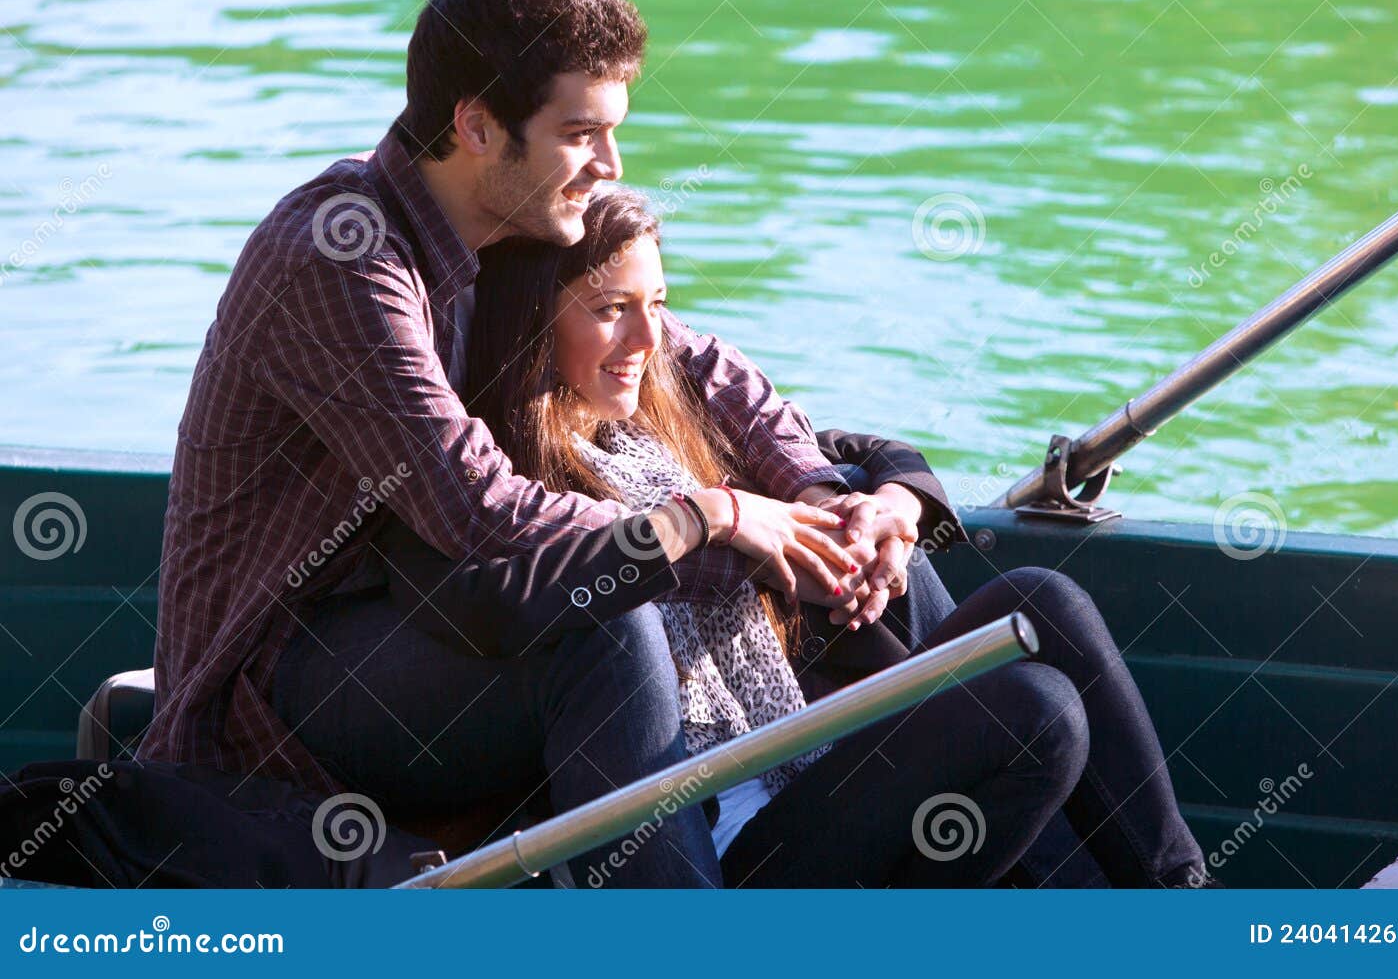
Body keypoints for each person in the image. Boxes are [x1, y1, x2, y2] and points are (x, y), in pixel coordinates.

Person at [140, 0, 870, 887]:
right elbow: (476, 511)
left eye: (612, 132)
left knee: (634, 591)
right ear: (476, 125)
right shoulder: (340, 257)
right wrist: (714, 518)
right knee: (603, 625)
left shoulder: (514, 211)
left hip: (427, 618)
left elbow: (696, 362)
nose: (609, 167)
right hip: (274, 681)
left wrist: (812, 487)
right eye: (582, 134)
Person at [346, 188, 1214, 887]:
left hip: (806, 761)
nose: (650, 339)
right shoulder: (498, 491)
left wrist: (892, 508)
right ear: (534, 322)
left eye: (658, 303)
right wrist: (712, 519)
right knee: (1039, 713)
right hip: (725, 836)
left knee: (1045, 599)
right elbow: (485, 596)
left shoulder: (668, 429)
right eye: (611, 309)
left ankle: (1186, 901)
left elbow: (857, 450)